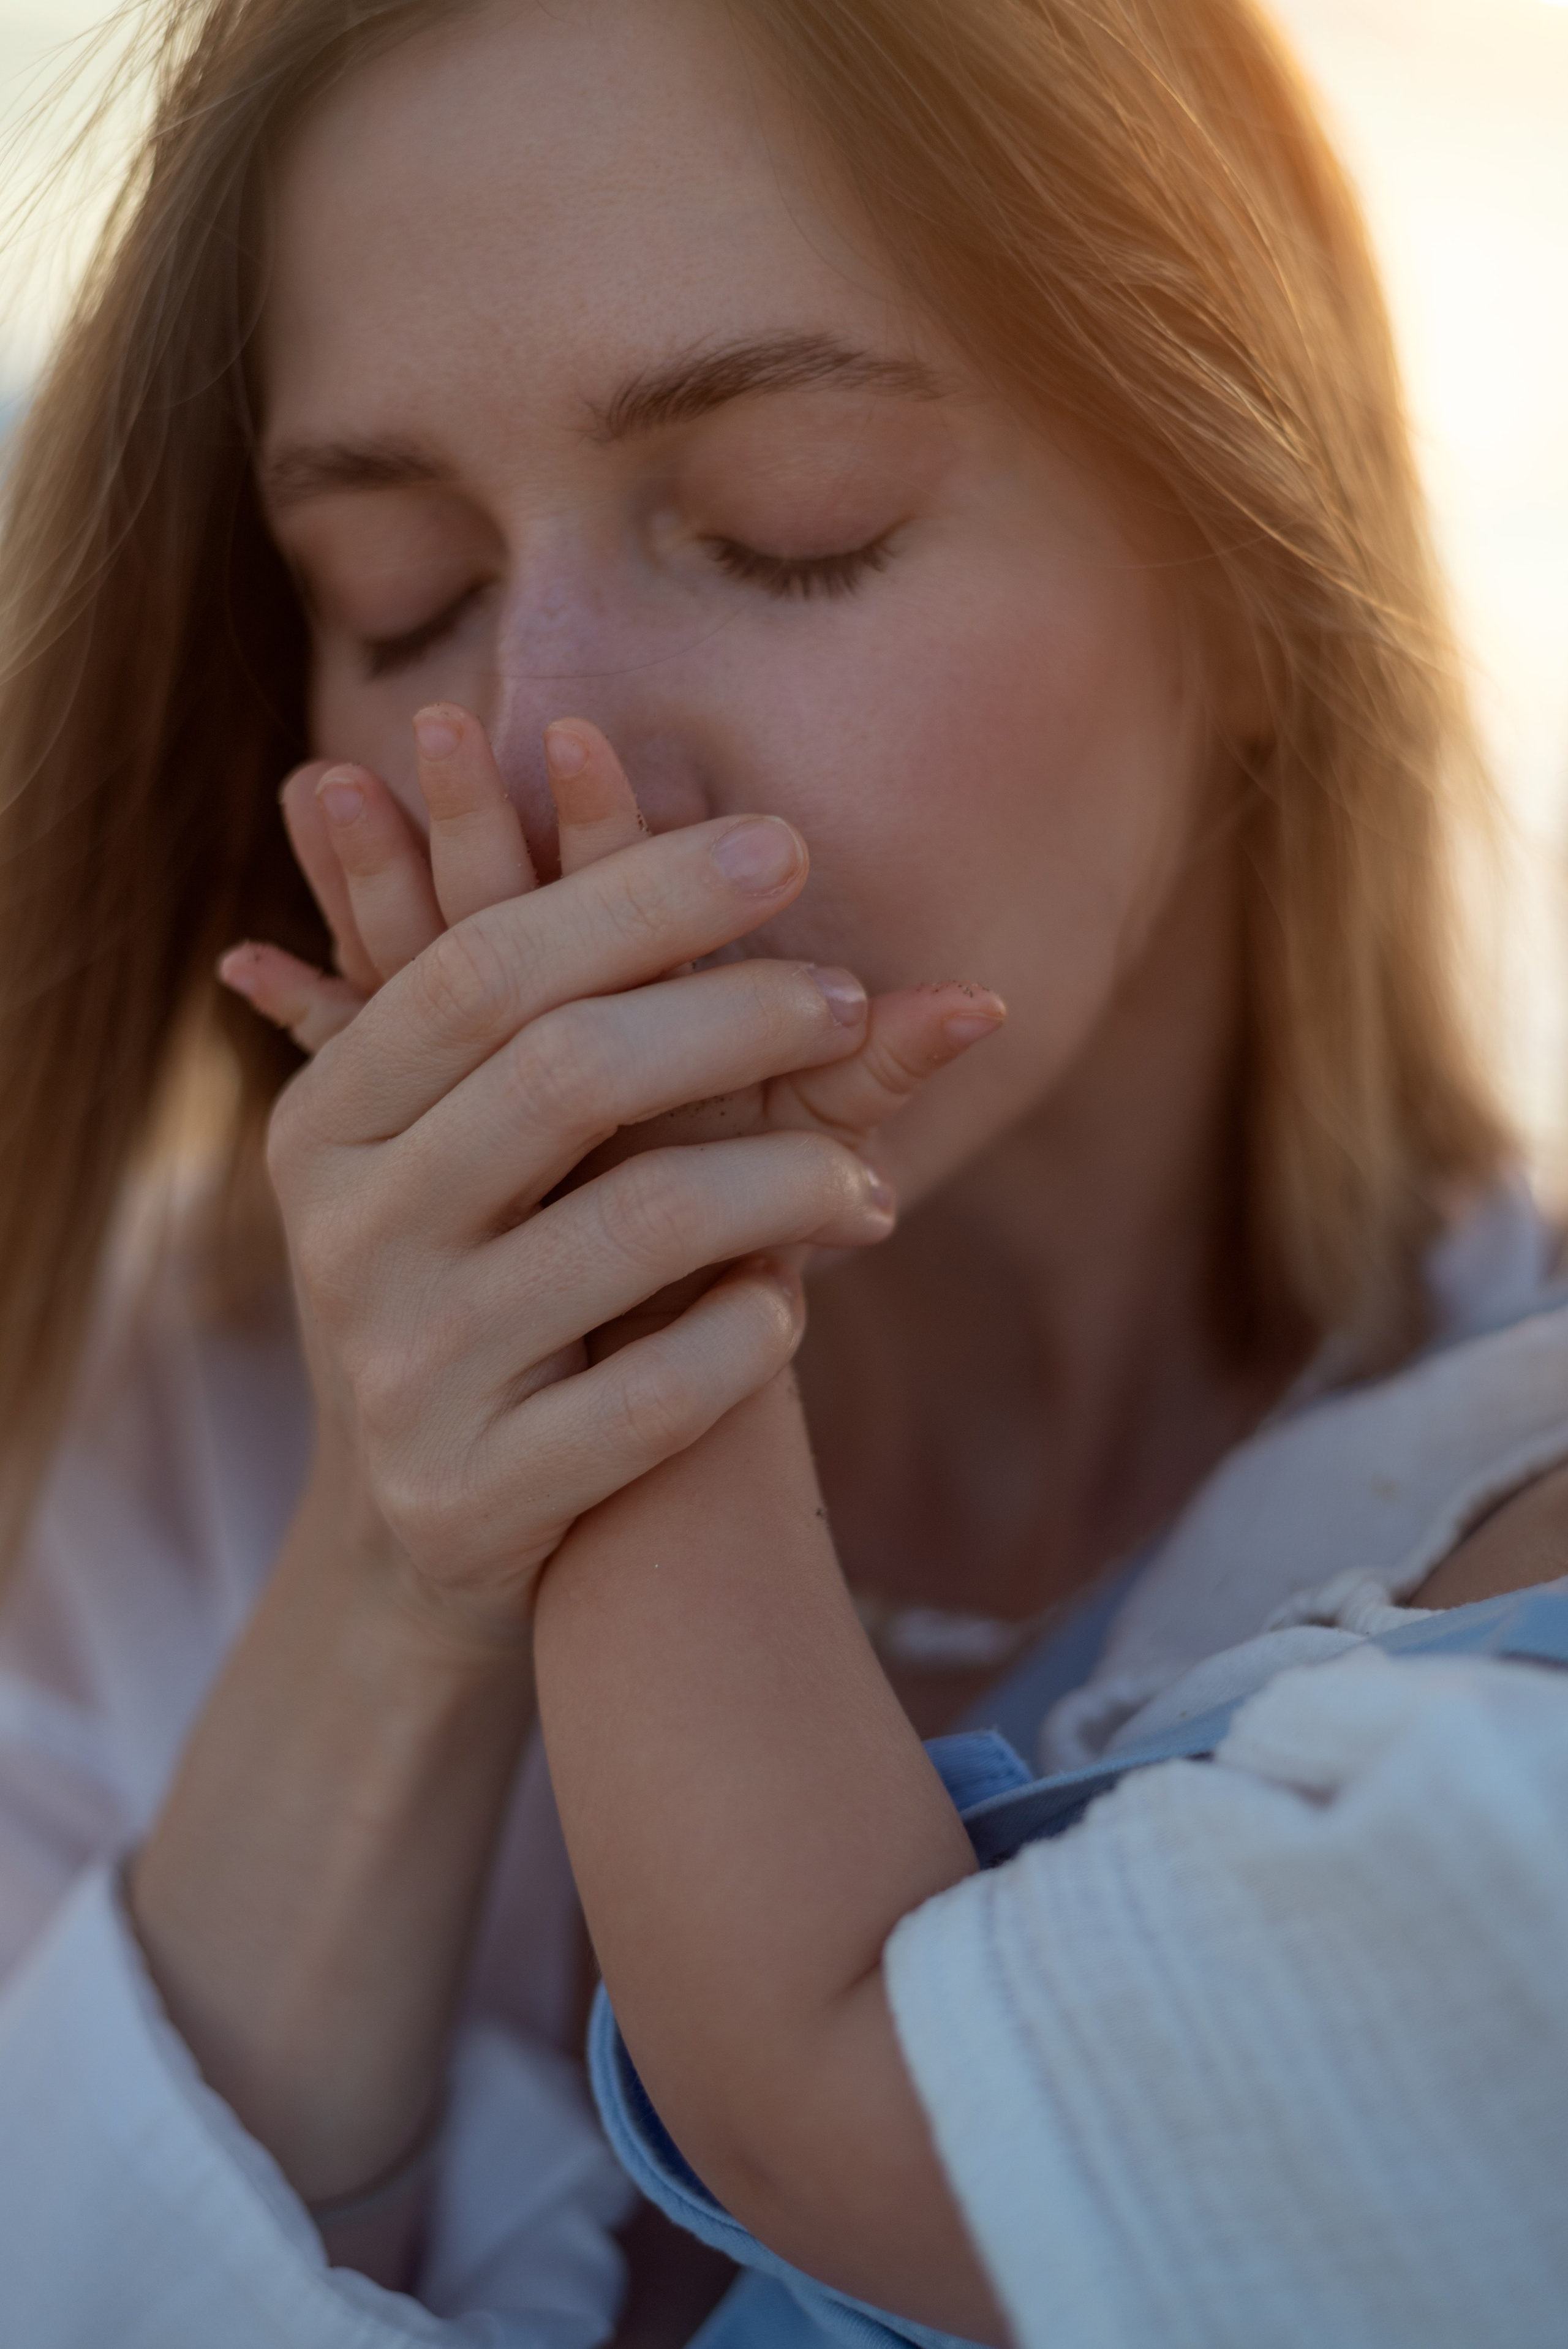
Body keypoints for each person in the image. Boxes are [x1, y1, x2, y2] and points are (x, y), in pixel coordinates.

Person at [0, 0, 1563, 2342]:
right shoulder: (120, 1473)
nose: (537, 746)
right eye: (399, 591)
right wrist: (388, 1587)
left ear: (1248, 564)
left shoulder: (1506, 1550)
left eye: (786, 526)